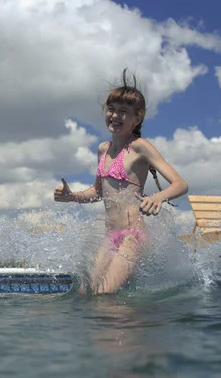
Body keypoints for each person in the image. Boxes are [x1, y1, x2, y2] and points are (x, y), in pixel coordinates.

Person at [54, 69, 188, 295]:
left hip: (131, 236)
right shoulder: (103, 150)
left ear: (137, 118)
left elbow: (180, 184)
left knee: (105, 294)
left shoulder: (140, 147)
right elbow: (98, 192)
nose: (115, 116)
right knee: (87, 293)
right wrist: (72, 196)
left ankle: (129, 328)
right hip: (109, 236)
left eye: (123, 112)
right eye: (111, 109)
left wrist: (157, 197)